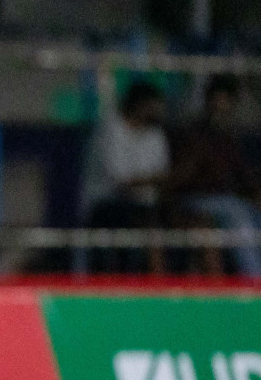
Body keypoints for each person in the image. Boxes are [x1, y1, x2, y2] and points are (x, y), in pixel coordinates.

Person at [168, 74, 261, 278]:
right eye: (218, 99)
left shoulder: (229, 135)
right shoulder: (195, 132)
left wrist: (255, 194)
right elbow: (182, 177)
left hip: (228, 201)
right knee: (239, 217)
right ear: (208, 100)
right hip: (197, 199)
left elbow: (244, 175)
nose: (222, 105)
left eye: (227, 100)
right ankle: (254, 281)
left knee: (247, 213)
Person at [82, 80, 168, 274]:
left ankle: (163, 285)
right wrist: (150, 180)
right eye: (152, 107)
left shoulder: (155, 134)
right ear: (139, 105)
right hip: (105, 204)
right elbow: (121, 181)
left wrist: (149, 181)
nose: (158, 112)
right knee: (141, 221)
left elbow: (163, 176)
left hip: (145, 204)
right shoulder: (110, 129)